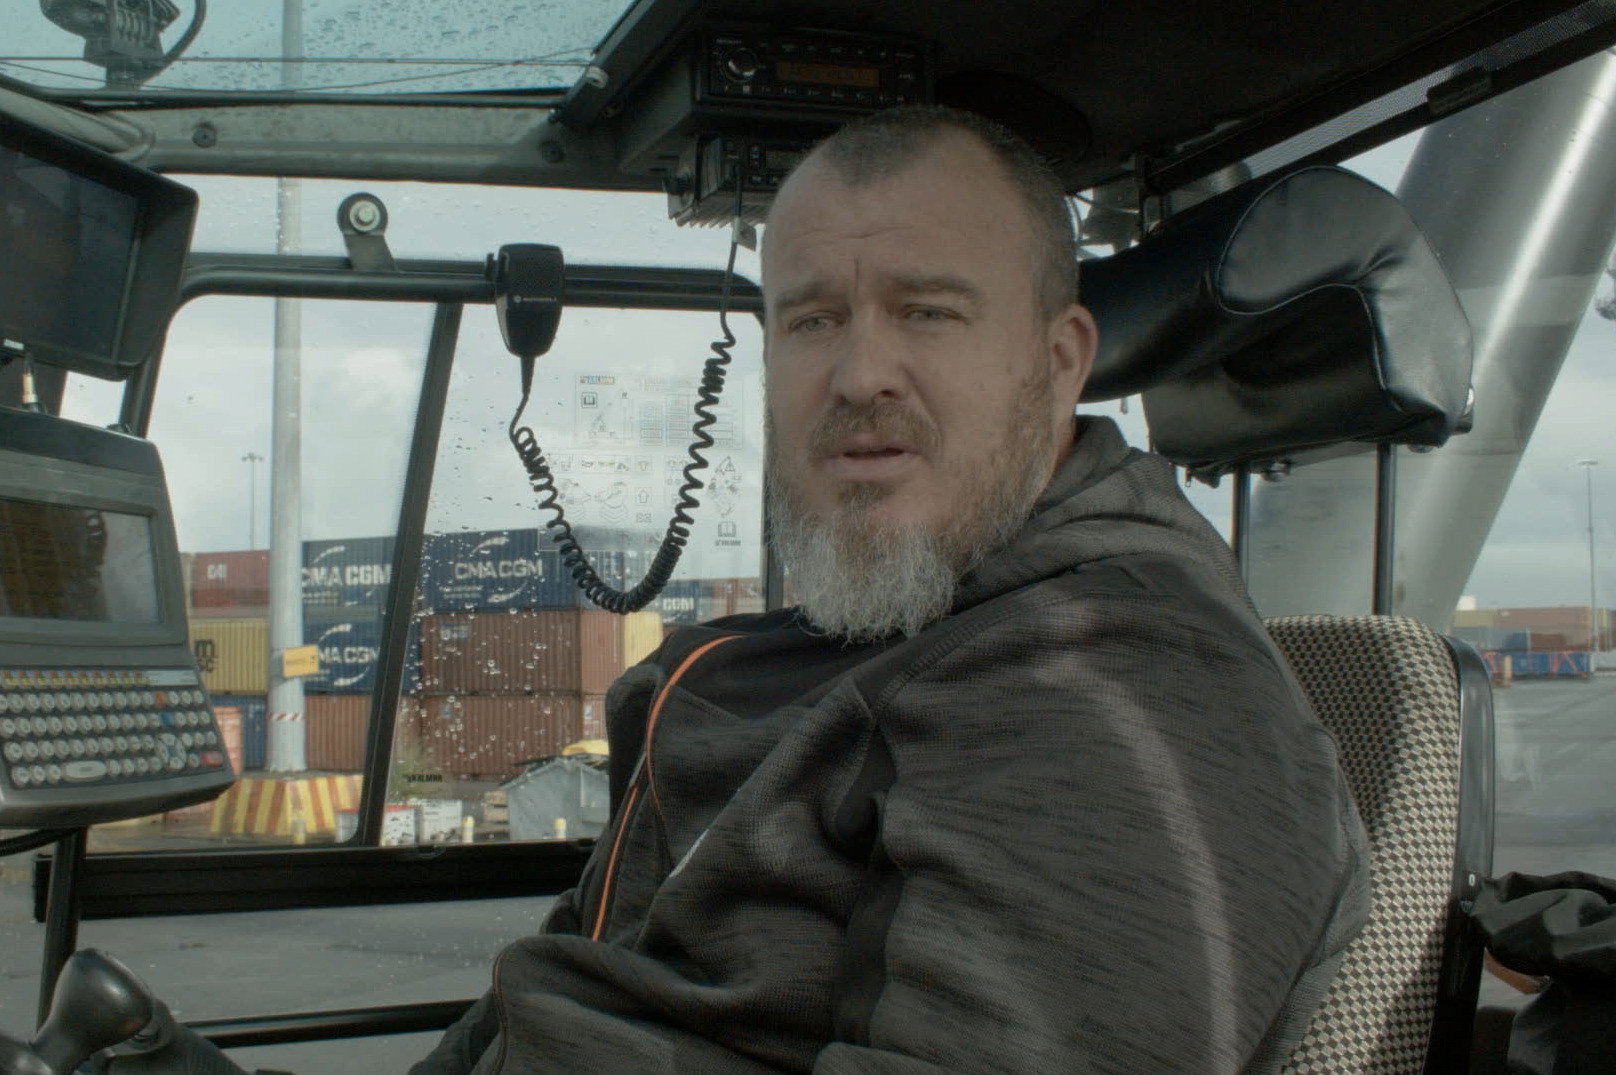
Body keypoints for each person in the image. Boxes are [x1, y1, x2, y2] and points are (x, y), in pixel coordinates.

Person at [413, 105, 1368, 1074]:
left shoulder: (1120, 693)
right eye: (813, 320)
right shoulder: (895, 619)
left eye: (927, 311)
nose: (859, 374)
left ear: (1059, 363)